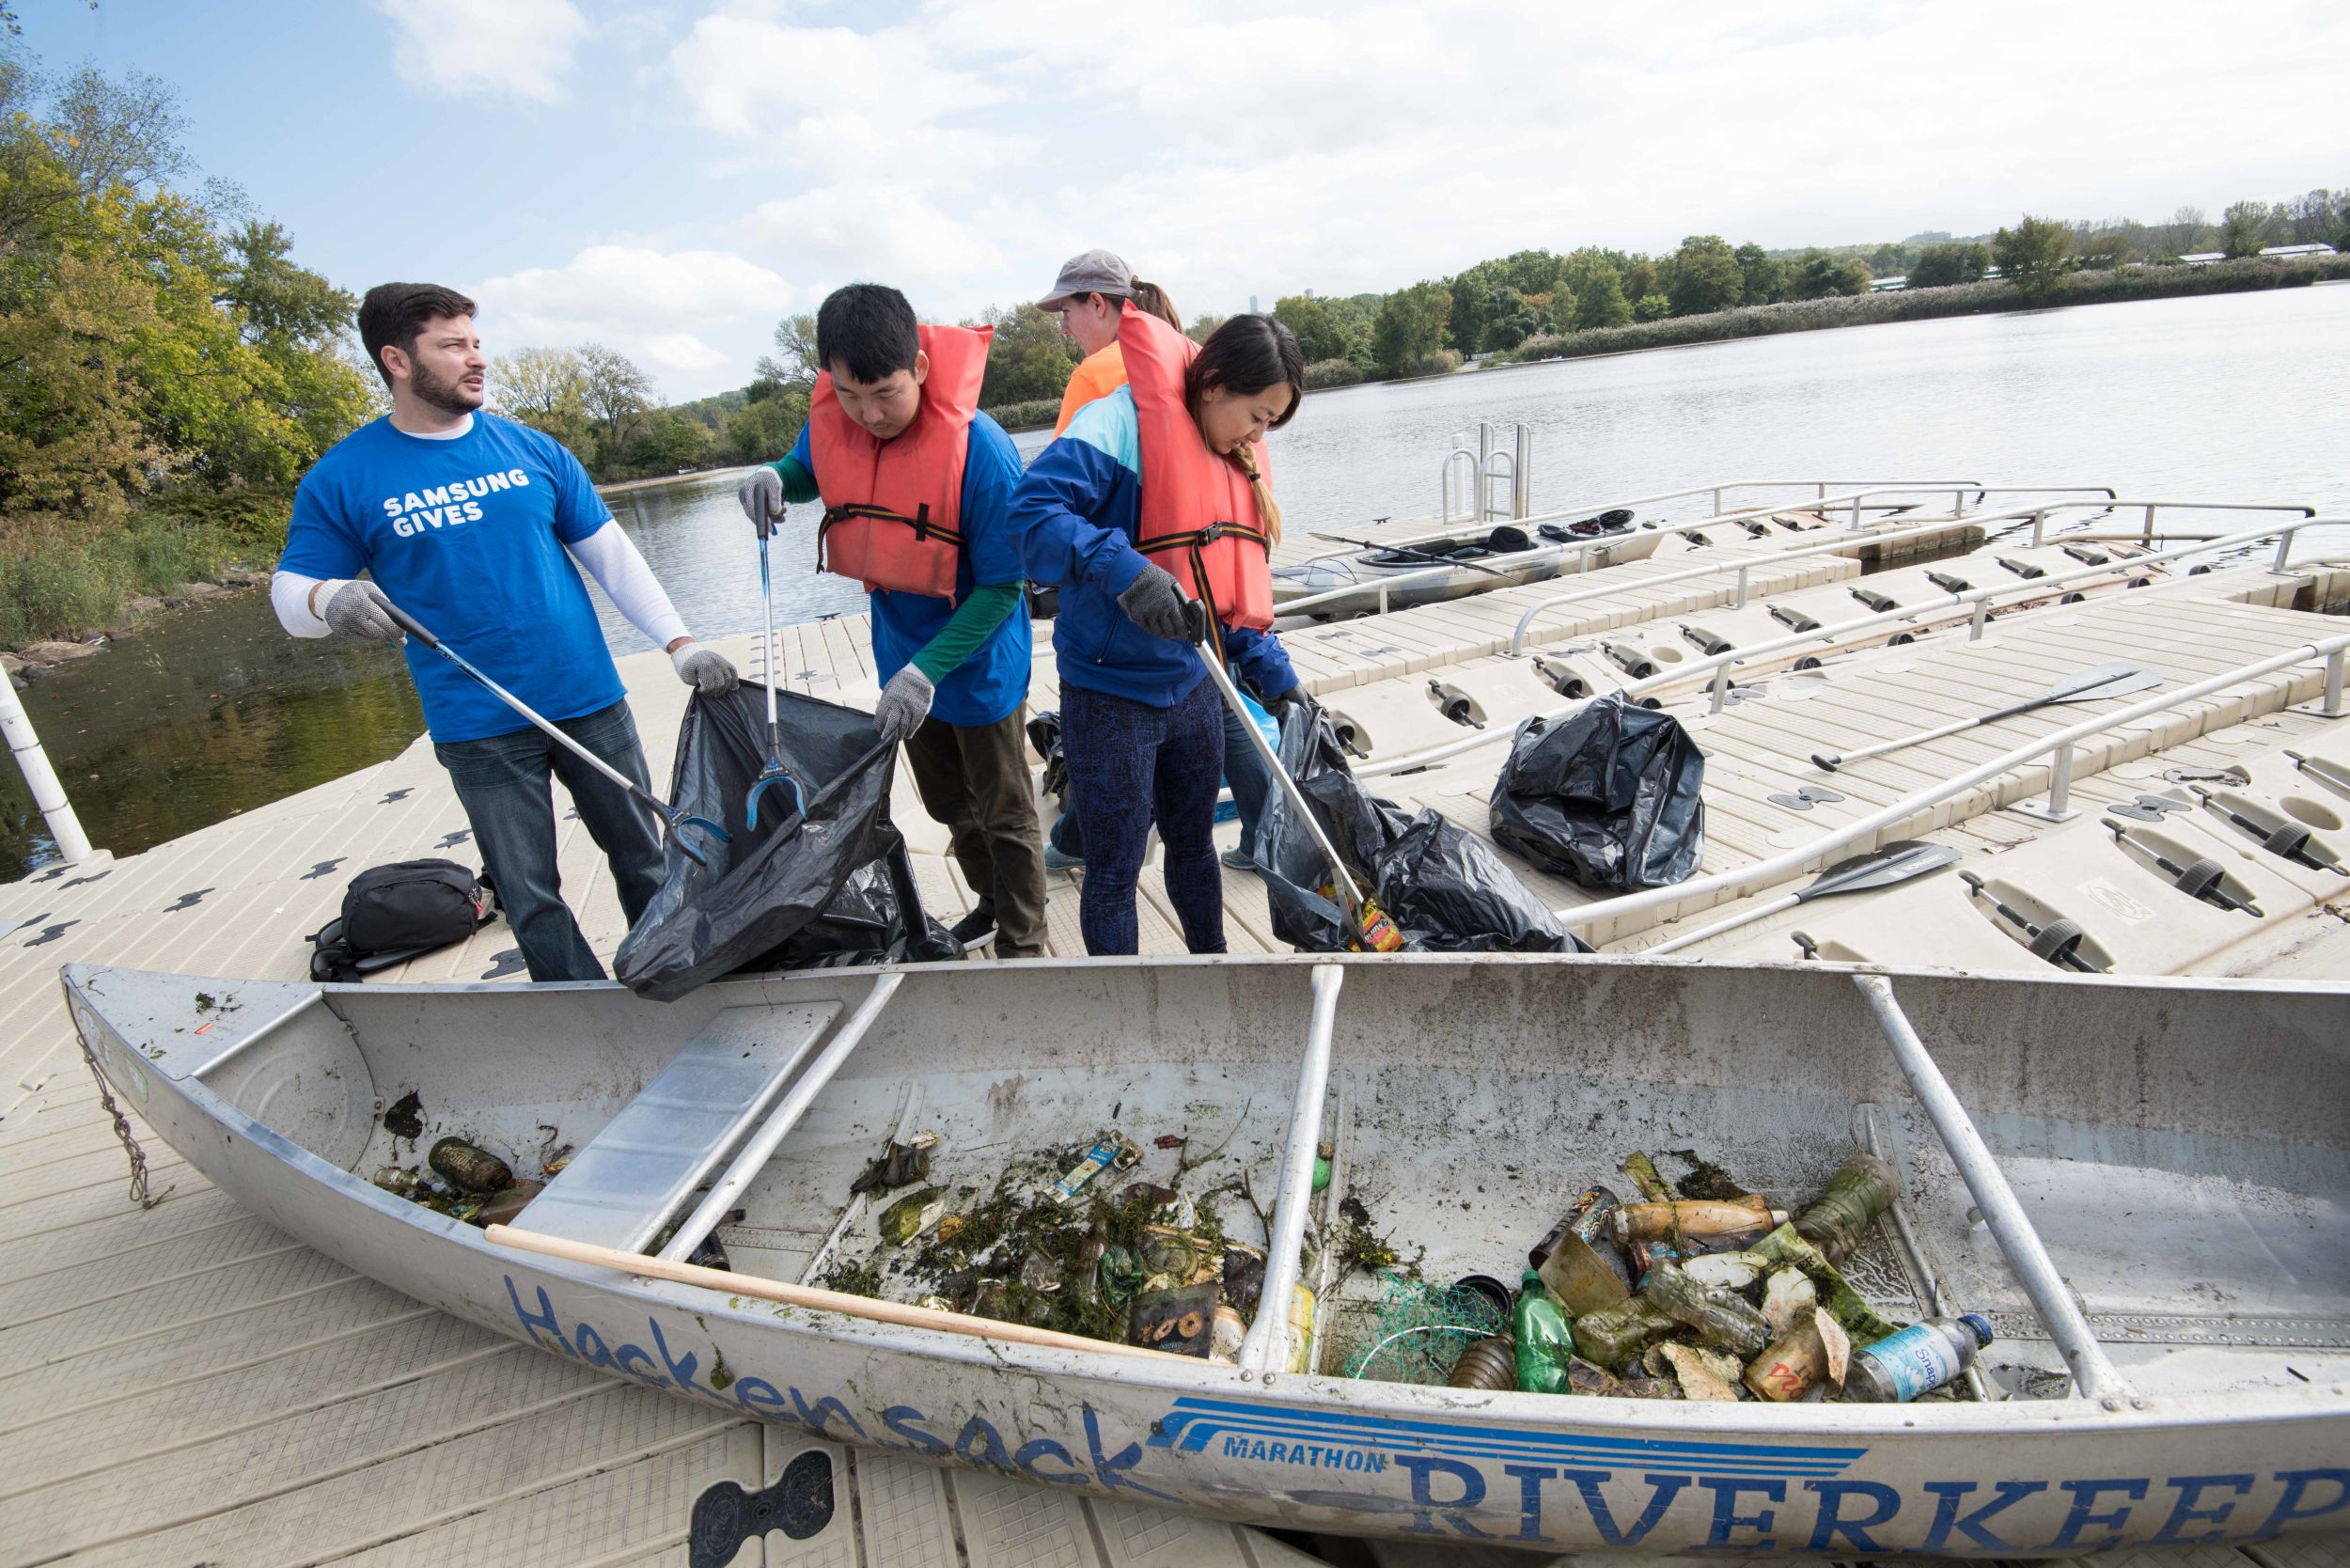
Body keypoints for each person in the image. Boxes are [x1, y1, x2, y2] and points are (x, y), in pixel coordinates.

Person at [273, 283, 738, 982]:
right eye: (452, 346)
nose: (476, 359)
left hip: (587, 697)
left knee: (645, 857)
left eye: (476, 343)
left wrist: (680, 644)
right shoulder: (344, 477)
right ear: (397, 360)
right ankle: (582, 1012)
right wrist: (328, 596)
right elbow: (289, 597)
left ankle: (673, 978)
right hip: (476, 724)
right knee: (530, 894)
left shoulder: (532, 450)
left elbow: (614, 559)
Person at [736, 284, 1046, 959]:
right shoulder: (838, 418)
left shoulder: (984, 452)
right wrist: (773, 477)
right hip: (900, 650)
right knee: (947, 804)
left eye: (885, 393)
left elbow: (1003, 587)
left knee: (1004, 810)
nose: (868, 414)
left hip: (978, 660)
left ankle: (1025, 939)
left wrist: (926, 671)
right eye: (849, 395)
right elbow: (807, 468)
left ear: (921, 369)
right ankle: (991, 902)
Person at [1010, 307, 1309, 956]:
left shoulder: (1230, 453)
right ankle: (1122, 1004)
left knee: (1195, 846)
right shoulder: (1117, 425)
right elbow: (1029, 516)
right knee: (1114, 870)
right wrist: (1126, 571)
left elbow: (1224, 586)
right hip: (1110, 695)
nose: (1258, 436)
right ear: (1215, 386)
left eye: (1270, 424)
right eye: (1258, 416)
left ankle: (1213, 967)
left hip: (1194, 686)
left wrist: (1281, 681)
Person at [1033, 252, 1275, 872]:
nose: (1065, 325)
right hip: (1193, 617)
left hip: (1135, 642)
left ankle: (1084, 841)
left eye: (1067, 311)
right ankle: (1266, 832)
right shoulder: (1190, 376)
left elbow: (1060, 509)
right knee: (1225, 709)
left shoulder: (1097, 380)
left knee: (1142, 754)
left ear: (1098, 303)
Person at [1038, 248, 1182, 436]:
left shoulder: (1092, 376)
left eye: (1066, 312)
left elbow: (1062, 456)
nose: (1064, 329)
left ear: (1097, 304)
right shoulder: (1176, 356)